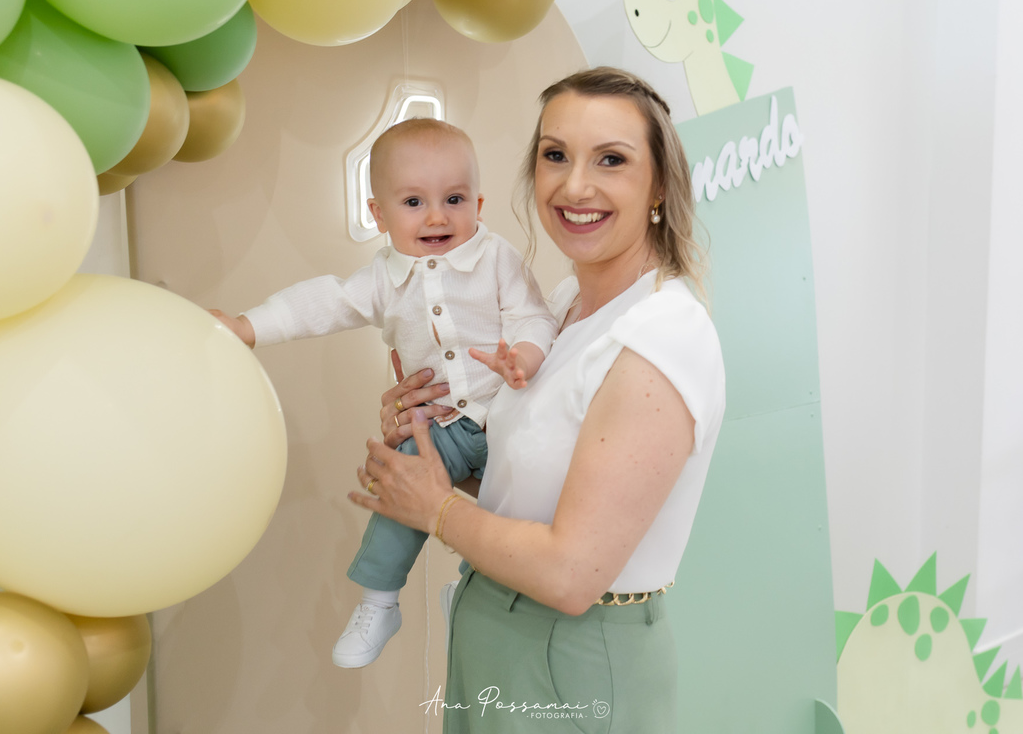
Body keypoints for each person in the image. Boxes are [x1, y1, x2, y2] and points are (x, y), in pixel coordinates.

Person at [350, 67, 726, 733]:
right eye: (556, 155)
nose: (574, 185)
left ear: (660, 183)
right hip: (500, 632)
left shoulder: (661, 335)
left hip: (571, 657)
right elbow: (532, 483)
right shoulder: (559, 310)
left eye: (610, 159)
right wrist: (432, 449)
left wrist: (431, 508)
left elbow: (572, 573)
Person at [211, 118, 558, 669]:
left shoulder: (496, 259)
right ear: (378, 214)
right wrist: (249, 327)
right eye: (414, 202)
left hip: (506, 417)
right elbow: (321, 304)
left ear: (479, 203)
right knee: (400, 485)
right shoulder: (381, 279)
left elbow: (532, 315)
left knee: (526, 508)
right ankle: (380, 601)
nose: (438, 216)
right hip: (438, 430)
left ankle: (483, 597)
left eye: (454, 198)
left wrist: (524, 357)